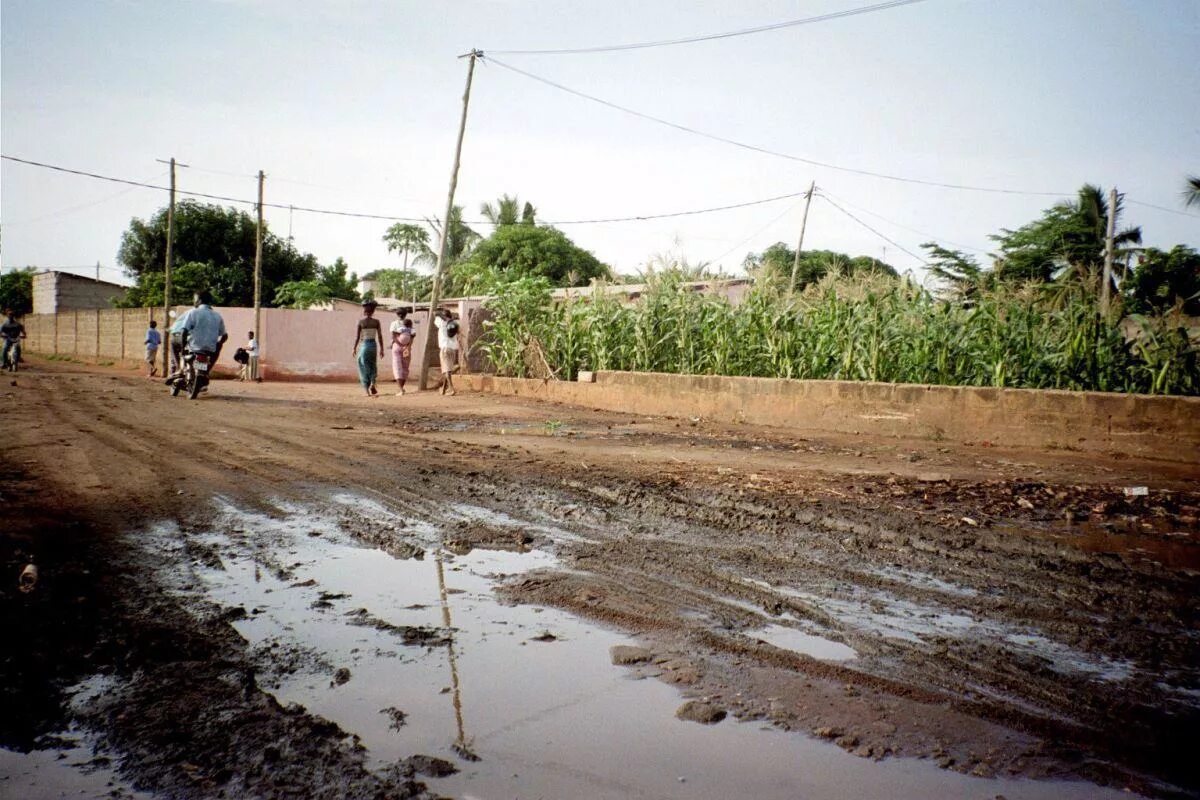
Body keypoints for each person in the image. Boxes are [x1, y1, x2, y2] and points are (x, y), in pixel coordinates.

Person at [181, 290, 228, 365]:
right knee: (219, 346)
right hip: (210, 351)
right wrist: (218, 344)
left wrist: (182, 349)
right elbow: (225, 336)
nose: (194, 302)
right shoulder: (217, 316)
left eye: (194, 300)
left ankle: (179, 369)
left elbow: (184, 332)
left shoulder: (193, 312)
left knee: (173, 343)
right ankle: (206, 372)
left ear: (199, 300)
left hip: (194, 348)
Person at [352, 299, 385, 397]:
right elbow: (380, 336)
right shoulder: (376, 322)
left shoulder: (361, 322)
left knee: (362, 365)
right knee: (373, 365)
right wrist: (382, 349)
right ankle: (373, 383)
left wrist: (354, 348)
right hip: (373, 346)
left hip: (364, 345)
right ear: (373, 311)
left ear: (364, 311)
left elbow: (357, 337)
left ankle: (366, 390)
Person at [389, 309, 417, 395]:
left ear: (405, 314)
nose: (401, 315)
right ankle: (400, 389)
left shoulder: (408, 323)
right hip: (398, 347)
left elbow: (412, 337)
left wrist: (407, 346)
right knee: (398, 366)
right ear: (397, 314)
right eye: (399, 314)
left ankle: (401, 388)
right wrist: (402, 345)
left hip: (405, 347)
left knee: (405, 367)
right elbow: (393, 336)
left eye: (402, 314)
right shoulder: (395, 323)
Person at [434, 308, 461, 396]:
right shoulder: (454, 323)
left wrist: (439, 312)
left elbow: (435, 314)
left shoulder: (441, 323)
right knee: (447, 369)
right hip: (452, 349)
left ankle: (451, 388)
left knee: (446, 370)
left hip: (445, 348)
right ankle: (444, 389)